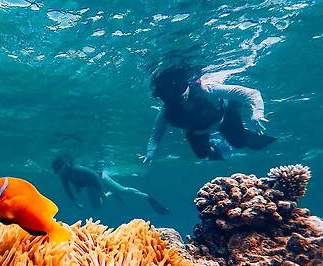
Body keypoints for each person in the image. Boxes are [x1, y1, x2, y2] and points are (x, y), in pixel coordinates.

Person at [139, 65, 276, 163]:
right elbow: (156, 135)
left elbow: (251, 94)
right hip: (198, 131)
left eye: (178, 92)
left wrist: (257, 114)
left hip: (222, 118)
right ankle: (218, 149)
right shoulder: (166, 111)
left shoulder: (207, 88)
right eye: (169, 97)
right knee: (202, 154)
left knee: (239, 143)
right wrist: (150, 153)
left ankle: (239, 135)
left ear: (186, 84)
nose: (177, 99)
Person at [52, 157, 169, 214]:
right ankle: (111, 193)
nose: (60, 173)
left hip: (100, 177)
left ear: (65, 166)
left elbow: (95, 176)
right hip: (91, 185)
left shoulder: (77, 169)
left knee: (123, 190)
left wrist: (102, 193)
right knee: (96, 206)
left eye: (60, 170)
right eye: (58, 172)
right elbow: (67, 189)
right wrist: (75, 202)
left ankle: (147, 196)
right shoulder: (63, 176)